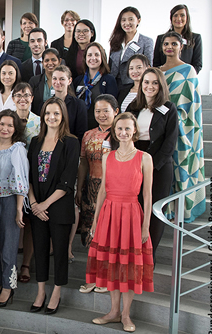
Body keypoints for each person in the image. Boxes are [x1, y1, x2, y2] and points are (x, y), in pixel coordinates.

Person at [86, 112, 154, 333]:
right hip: (109, 213)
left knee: (129, 266)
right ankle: (113, 312)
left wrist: (145, 226)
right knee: (112, 264)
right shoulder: (108, 156)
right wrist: (95, 221)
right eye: (119, 129)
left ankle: (126, 315)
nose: (123, 133)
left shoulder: (144, 158)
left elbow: (147, 195)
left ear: (134, 130)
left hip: (132, 214)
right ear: (114, 132)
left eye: (127, 129)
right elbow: (103, 189)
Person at [27, 97, 79, 315]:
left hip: (58, 206)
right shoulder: (35, 142)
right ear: (43, 115)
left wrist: (45, 204)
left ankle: (56, 292)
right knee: (39, 251)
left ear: (63, 116)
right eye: (48, 113)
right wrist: (33, 203)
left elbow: (67, 180)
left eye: (56, 113)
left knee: (58, 252)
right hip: (36, 205)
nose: (52, 117)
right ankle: (40, 292)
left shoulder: (71, 142)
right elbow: (27, 175)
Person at [127, 68, 177, 263]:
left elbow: (170, 143)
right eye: (146, 82)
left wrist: (151, 167)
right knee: (136, 208)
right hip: (134, 163)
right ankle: (133, 254)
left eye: (155, 83)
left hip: (160, 166)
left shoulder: (168, 108)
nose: (150, 86)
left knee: (154, 211)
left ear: (161, 85)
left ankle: (149, 257)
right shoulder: (133, 107)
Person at [0, 110, 29, 308]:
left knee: (8, 248)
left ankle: (8, 287)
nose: (5, 128)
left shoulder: (17, 149)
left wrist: (19, 208)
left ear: (15, 129)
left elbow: (21, 178)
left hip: (9, 201)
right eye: (2, 124)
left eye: (10, 125)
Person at [159, 32, 205, 223]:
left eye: (174, 44)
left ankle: (181, 209)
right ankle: (165, 208)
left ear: (181, 46)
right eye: (166, 44)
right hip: (160, 127)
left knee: (180, 165)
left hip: (182, 128)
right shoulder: (157, 71)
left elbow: (192, 103)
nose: (169, 47)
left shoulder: (188, 70)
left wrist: (179, 121)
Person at [76, 95, 119, 295]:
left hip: (112, 190)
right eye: (98, 111)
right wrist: (80, 188)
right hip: (90, 189)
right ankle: (92, 277)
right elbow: (83, 162)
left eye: (106, 111)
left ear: (116, 112)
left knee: (108, 235)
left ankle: (106, 277)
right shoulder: (88, 135)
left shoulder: (120, 134)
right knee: (91, 235)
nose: (101, 115)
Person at [10, 82, 41, 284]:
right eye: (18, 95)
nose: (22, 98)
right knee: (11, 222)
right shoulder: (6, 119)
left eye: (26, 95)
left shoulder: (40, 122)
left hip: (34, 179)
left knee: (29, 223)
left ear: (32, 98)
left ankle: (26, 264)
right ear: (13, 98)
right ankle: (10, 263)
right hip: (10, 179)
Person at [74, 42, 119, 129]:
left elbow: (112, 107)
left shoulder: (109, 80)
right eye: (89, 55)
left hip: (100, 127)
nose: (93, 58)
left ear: (102, 57)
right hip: (80, 125)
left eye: (96, 55)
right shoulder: (78, 80)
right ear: (85, 58)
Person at [109, 7, 154, 87]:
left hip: (134, 85)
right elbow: (111, 65)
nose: (127, 23)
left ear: (138, 21)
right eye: (123, 20)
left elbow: (148, 67)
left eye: (130, 19)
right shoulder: (116, 41)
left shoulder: (146, 41)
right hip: (113, 84)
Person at [153, 4, 202, 73]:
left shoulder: (195, 38)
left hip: (186, 78)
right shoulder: (161, 38)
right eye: (175, 15)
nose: (178, 18)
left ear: (187, 17)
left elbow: (197, 64)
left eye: (182, 15)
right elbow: (156, 63)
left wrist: (185, 76)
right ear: (171, 18)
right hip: (165, 78)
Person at [51, 65, 88, 142]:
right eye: (54, 78)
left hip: (70, 148)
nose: (57, 82)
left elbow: (81, 134)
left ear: (70, 81)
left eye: (62, 79)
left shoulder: (79, 105)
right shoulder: (46, 105)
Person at [29, 48, 61, 116]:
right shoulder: (34, 81)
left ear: (59, 61)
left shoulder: (64, 81)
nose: (50, 63)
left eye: (53, 60)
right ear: (42, 63)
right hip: (38, 120)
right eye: (47, 60)